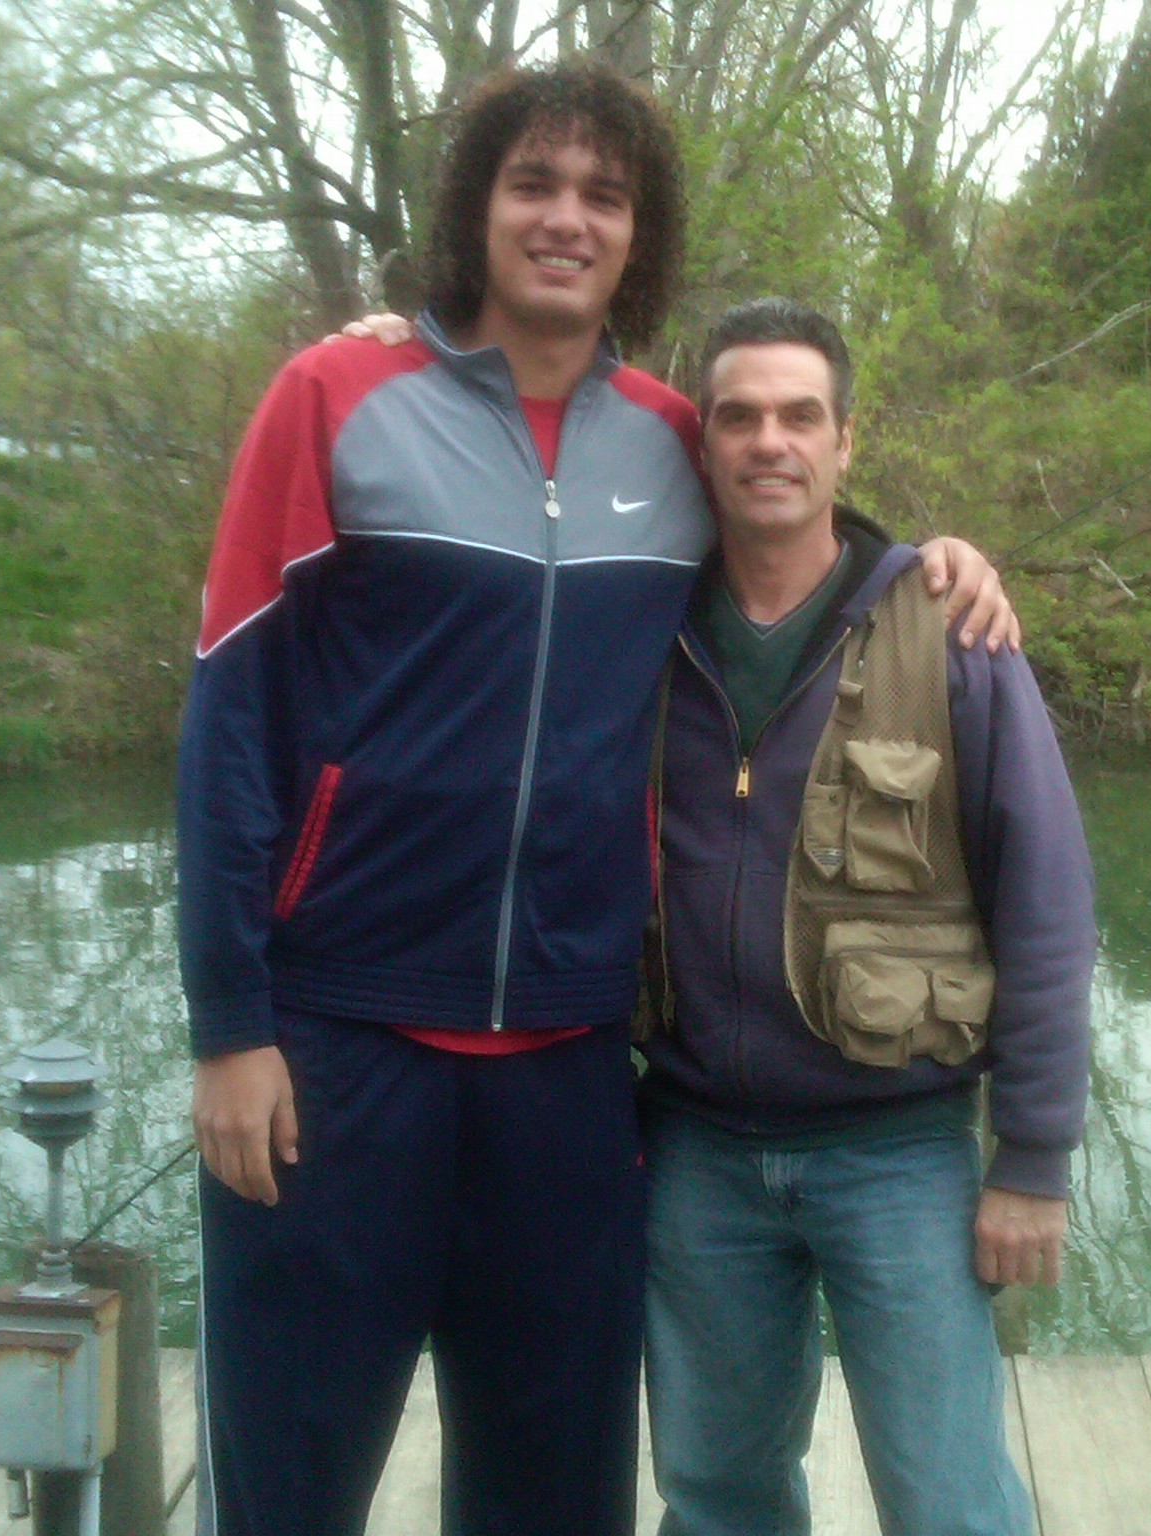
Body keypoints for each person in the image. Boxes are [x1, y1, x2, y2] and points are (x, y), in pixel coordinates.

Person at [177, 64, 1017, 1536]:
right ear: (475, 209)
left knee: (556, 1498)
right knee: (288, 1484)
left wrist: (941, 562)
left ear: (643, 236)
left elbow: (801, 527)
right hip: (333, 1048)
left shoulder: (675, 445)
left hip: (568, 1070)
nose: (568, 219)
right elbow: (229, 732)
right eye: (534, 186)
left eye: (604, 196)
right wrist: (231, 1028)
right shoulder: (334, 400)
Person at [635, 297, 1096, 1536]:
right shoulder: (638, 628)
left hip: (898, 1154)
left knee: (947, 1503)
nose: (767, 442)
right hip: (694, 1155)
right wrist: (405, 342)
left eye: (799, 415)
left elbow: (1046, 901)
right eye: (737, 416)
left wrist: (1034, 1160)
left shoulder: (949, 627)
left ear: (845, 441)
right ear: (704, 444)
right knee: (718, 1494)